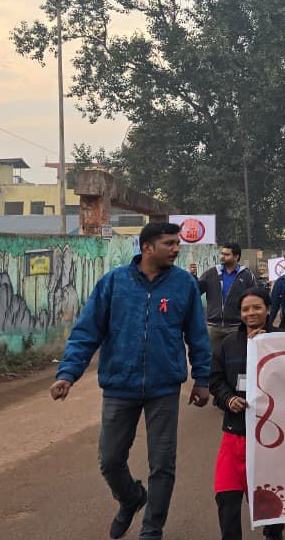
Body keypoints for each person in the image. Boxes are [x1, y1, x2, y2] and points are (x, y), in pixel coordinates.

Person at [50, 222, 212, 540]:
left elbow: (197, 335)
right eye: (169, 243)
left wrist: (202, 378)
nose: (176, 249)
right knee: (110, 460)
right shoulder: (114, 283)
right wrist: (68, 373)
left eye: (177, 243)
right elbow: (87, 332)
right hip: (119, 385)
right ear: (147, 247)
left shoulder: (184, 285)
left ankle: (152, 530)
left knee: (162, 464)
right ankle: (131, 498)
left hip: (164, 388)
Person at [209, 290, 284, 540]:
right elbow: (215, 379)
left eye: (257, 307)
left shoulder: (284, 341)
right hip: (235, 434)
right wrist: (228, 399)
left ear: (268, 309)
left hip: (271, 438)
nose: (251, 313)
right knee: (226, 498)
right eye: (245, 309)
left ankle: (274, 534)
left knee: (270, 499)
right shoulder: (229, 344)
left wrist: (265, 346)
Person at [190, 242, 259, 356]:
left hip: (236, 327)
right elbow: (196, 291)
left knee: (235, 358)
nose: (222, 256)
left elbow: (255, 298)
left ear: (236, 257)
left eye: (226, 254)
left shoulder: (246, 275)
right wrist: (193, 276)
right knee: (213, 359)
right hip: (213, 328)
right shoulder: (211, 273)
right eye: (222, 253)